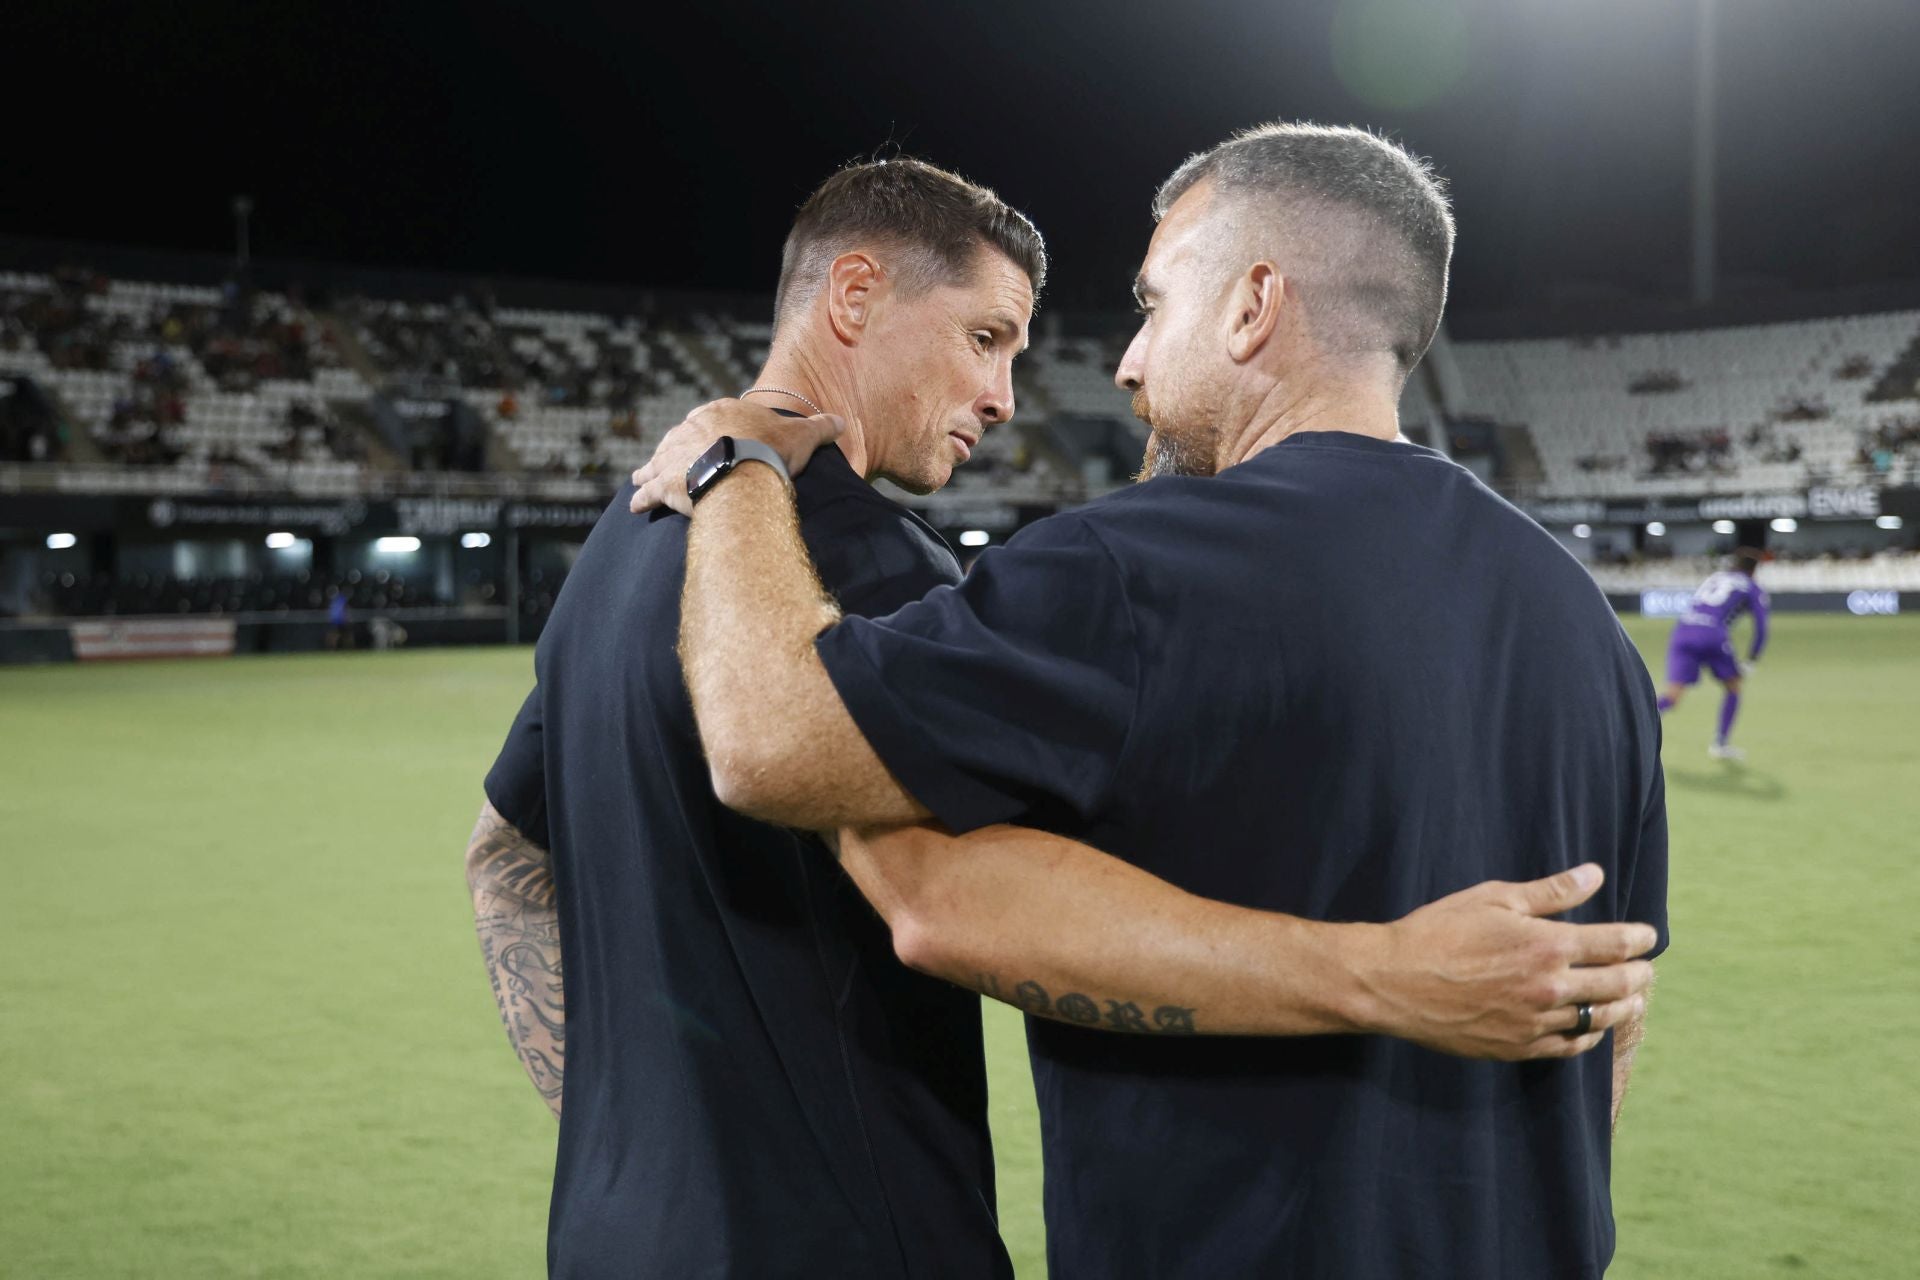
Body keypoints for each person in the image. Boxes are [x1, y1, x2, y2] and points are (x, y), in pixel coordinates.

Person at [632, 123, 1667, 1278]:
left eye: (1154, 303)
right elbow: (1608, 1018)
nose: (1125, 363)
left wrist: (738, 462)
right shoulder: (1593, 635)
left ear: (1251, 305)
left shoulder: (1131, 566)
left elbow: (768, 743)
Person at [1658, 547, 1769, 759]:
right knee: (1734, 685)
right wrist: (1752, 658)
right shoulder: (1751, 586)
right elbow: (1762, 626)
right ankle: (1720, 744)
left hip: (1683, 630)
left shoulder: (1716, 577)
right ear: (1754, 570)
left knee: (1671, 696)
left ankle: (1627, 728)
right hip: (1712, 633)